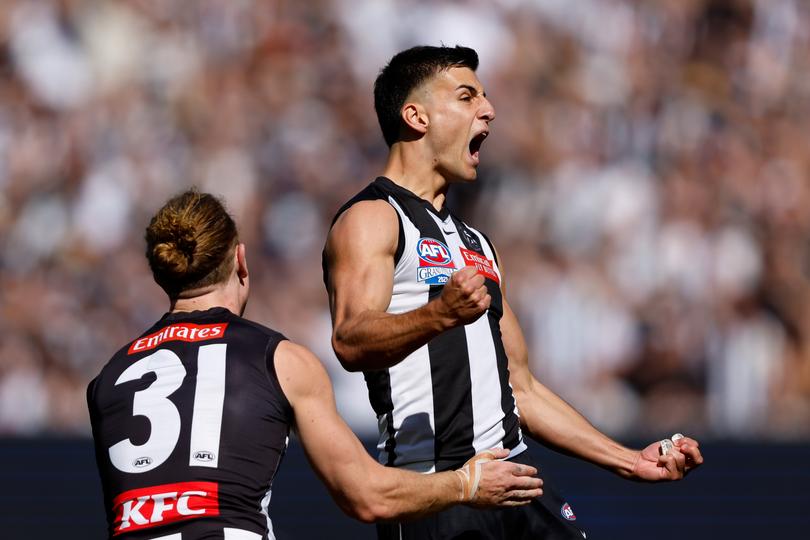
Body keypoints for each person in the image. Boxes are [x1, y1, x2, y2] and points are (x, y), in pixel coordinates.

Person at [322, 45, 705, 540]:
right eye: (466, 97)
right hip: (434, 494)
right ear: (415, 116)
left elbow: (520, 388)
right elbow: (351, 341)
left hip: (516, 483)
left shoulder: (477, 243)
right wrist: (439, 315)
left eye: (485, 97)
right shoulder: (372, 218)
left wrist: (629, 461)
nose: (489, 110)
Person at [87, 190, 543, 540]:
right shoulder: (279, 360)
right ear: (241, 262)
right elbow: (366, 494)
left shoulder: (108, 378)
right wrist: (466, 485)